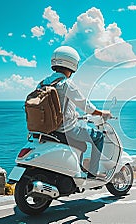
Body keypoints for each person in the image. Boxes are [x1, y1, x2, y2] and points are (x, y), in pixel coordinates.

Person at [39, 45, 111, 178]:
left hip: (48, 129)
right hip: (68, 129)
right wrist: (101, 113)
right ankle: (94, 172)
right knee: (99, 137)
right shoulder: (66, 84)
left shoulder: (43, 83)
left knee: (81, 145)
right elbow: (85, 105)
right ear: (72, 64)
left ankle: (76, 170)